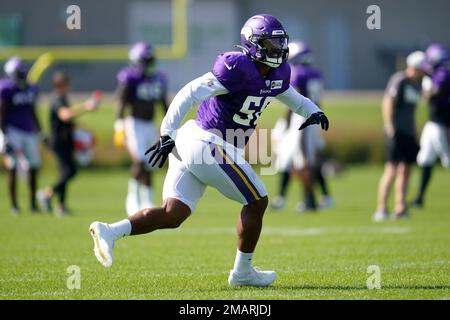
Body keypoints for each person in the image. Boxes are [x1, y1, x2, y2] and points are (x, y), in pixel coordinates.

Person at [89, 14, 329, 287]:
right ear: (253, 44)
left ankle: (110, 231)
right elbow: (189, 92)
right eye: (271, 43)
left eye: (279, 42)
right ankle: (242, 273)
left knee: (173, 213)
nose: (278, 49)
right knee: (258, 201)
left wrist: (312, 110)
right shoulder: (236, 67)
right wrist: (167, 132)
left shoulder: (277, 73)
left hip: (198, 144)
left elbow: (291, 97)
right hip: (206, 142)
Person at [271, 41, 332, 212]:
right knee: (294, 159)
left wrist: (285, 123)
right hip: (314, 117)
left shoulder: (297, 73)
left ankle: (310, 200)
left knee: (302, 160)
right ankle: (311, 198)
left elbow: (294, 102)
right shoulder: (316, 73)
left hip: (301, 120)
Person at [113, 42, 169, 216]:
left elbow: (163, 104)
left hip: (149, 124)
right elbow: (122, 101)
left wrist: (170, 124)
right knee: (139, 161)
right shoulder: (130, 78)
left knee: (150, 163)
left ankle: (148, 201)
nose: (149, 64)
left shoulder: (158, 78)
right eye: (146, 61)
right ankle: (132, 199)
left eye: (150, 60)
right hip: (134, 123)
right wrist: (119, 124)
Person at [373, 51, 429, 221]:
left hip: (408, 132)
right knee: (391, 169)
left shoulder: (416, 84)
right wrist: (390, 127)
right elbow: (388, 102)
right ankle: (381, 208)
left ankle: (400, 207)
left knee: (406, 169)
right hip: (396, 132)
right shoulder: (400, 80)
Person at [37, 72, 101, 215]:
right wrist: (86, 107)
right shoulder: (57, 100)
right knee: (70, 171)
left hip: (66, 141)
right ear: (61, 85)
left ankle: (61, 206)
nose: (69, 85)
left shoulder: (63, 98)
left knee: (64, 173)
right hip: (59, 142)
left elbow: (69, 121)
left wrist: (82, 130)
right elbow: (65, 115)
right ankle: (47, 193)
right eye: (67, 83)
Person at [0, 57, 43, 214]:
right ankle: (14, 205)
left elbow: (33, 111)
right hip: (12, 131)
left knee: (33, 167)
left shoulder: (30, 88)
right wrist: (3, 134)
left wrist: (40, 131)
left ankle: (32, 204)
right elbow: (1, 112)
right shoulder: (6, 88)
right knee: (12, 167)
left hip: (29, 131)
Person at [412, 44, 450, 208]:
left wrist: (424, 91)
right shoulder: (433, 74)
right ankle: (419, 197)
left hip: (444, 124)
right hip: (432, 123)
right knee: (425, 159)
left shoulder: (443, 73)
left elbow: (436, 92)